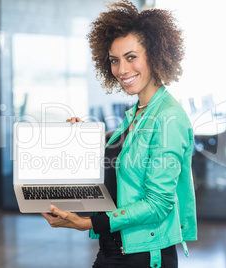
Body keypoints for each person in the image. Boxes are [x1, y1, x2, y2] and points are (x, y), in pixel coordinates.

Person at [41, 1, 197, 267]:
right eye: (115, 60)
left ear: (155, 55)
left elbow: (158, 204)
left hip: (144, 256)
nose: (122, 70)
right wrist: (89, 138)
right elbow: (130, 152)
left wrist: (87, 223)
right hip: (115, 248)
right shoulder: (138, 111)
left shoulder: (169, 117)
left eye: (131, 57)